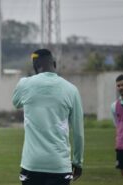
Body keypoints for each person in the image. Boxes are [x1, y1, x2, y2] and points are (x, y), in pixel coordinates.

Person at [12, 49, 84, 185]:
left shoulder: (25, 84)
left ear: (35, 65)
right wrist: (78, 162)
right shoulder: (72, 90)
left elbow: (16, 102)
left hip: (32, 164)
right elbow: (78, 132)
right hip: (59, 165)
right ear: (55, 64)